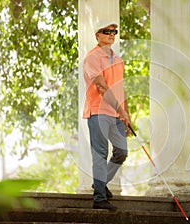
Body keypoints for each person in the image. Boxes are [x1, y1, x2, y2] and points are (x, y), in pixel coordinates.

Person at [82, 20, 131, 211]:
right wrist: (121, 110)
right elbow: (102, 87)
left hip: (117, 114)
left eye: (114, 32)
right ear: (97, 35)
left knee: (121, 152)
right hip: (99, 111)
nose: (111, 34)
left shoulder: (117, 59)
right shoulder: (92, 58)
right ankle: (99, 199)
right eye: (107, 31)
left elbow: (120, 88)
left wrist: (126, 114)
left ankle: (100, 183)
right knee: (101, 154)